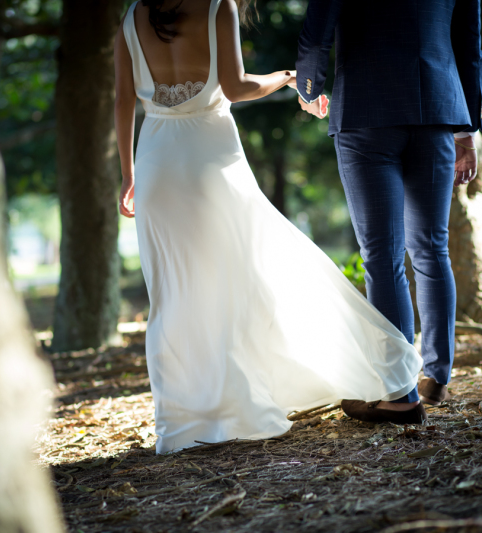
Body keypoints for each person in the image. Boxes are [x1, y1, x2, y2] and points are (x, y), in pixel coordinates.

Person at [114, 0, 425, 454]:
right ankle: (253, 397)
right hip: (209, 154)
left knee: (174, 291)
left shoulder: (132, 14)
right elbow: (236, 87)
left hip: (157, 158)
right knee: (251, 268)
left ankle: (186, 421)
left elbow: (125, 98)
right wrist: (282, 77)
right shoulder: (217, 7)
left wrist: (128, 175)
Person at [295, 0, 482, 422]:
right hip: (437, 108)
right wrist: (467, 128)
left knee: (383, 255)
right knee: (432, 249)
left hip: (366, 108)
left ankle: (399, 392)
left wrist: (309, 88)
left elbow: (317, 28)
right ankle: (437, 376)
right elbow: (469, 45)